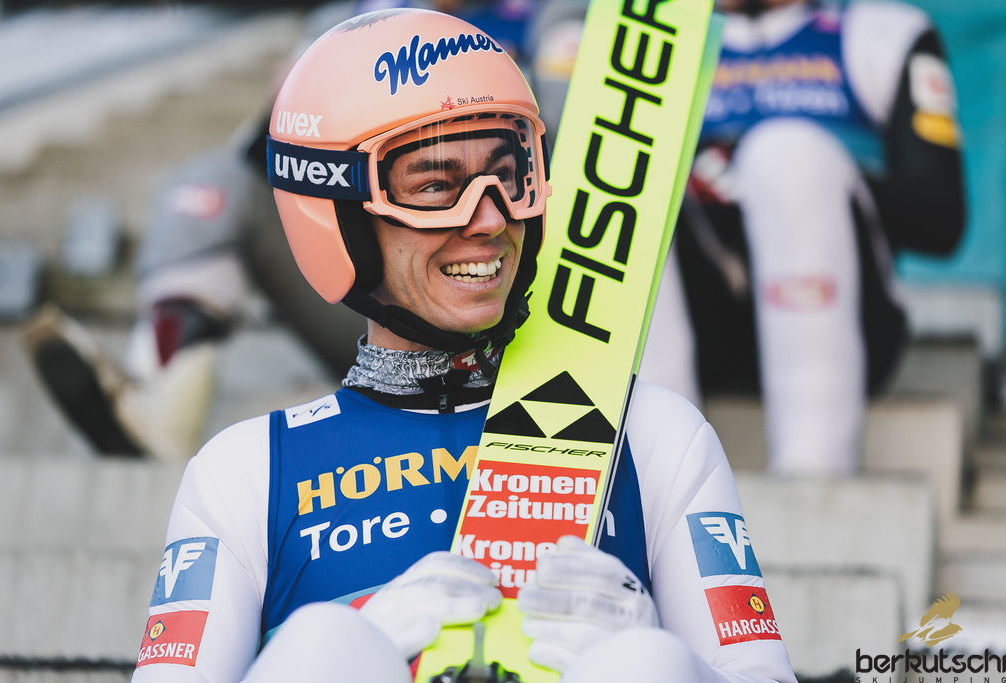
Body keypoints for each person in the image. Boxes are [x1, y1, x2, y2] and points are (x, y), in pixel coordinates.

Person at [131, 8, 796, 683]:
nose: (489, 219)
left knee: (645, 662)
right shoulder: (247, 471)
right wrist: (352, 638)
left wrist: (671, 663)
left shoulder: (654, 433)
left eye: (508, 176)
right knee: (325, 644)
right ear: (339, 215)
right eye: (436, 187)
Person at [24, 0, 542, 462]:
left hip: (539, 297)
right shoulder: (345, 25)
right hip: (386, 294)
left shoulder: (556, 15)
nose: (486, 216)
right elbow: (269, 151)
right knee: (214, 185)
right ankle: (163, 401)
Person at [638, 0, 966, 475]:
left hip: (848, 321)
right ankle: (659, 475)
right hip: (704, 327)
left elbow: (940, 218)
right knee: (628, 170)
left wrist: (768, 170)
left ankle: (812, 477)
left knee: (786, 156)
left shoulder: (879, 33)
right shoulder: (646, 40)